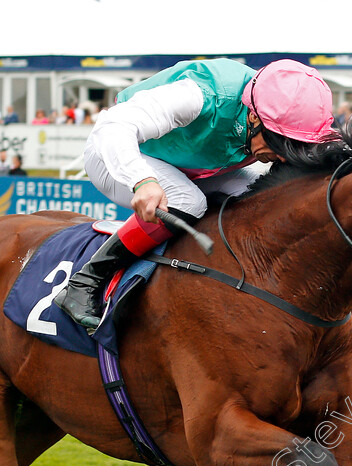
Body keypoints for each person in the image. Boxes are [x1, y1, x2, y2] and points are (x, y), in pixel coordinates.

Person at [53, 58, 337, 330]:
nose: (282, 156)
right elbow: (114, 126)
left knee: (266, 197)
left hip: (198, 168)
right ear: (253, 116)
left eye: (294, 146)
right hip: (118, 152)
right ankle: (85, 281)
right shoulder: (200, 95)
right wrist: (142, 180)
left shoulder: (283, 110)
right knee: (188, 201)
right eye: (279, 143)